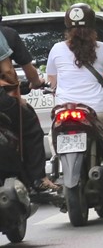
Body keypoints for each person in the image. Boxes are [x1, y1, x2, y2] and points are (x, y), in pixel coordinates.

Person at [46, 3, 103, 186]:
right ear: (92, 27)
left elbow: (52, 81)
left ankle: (57, 162)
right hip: (97, 108)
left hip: (64, 108)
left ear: (68, 27)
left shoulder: (56, 49)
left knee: (51, 132)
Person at [0, 31, 60, 193]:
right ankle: (38, 178)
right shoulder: (6, 35)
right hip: (2, 100)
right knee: (31, 127)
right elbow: (7, 71)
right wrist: (16, 96)